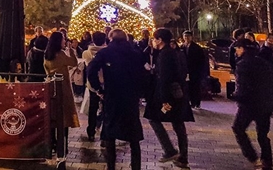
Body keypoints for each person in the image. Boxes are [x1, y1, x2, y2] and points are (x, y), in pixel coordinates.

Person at [88, 29, 146, 170]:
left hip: (112, 95)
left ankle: (111, 166)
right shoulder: (136, 54)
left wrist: (98, 89)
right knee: (133, 135)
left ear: (110, 38)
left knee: (110, 134)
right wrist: (140, 92)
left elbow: (91, 70)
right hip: (130, 96)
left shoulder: (105, 53)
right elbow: (144, 74)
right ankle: (136, 166)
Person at [144, 28, 194, 169]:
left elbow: (165, 78)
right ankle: (183, 157)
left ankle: (169, 150)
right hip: (178, 93)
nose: (153, 41)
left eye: (154, 39)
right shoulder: (174, 52)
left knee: (153, 118)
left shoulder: (165, 55)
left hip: (167, 94)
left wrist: (165, 99)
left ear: (160, 40)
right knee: (178, 124)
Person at [232, 38, 273, 170]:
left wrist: (236, 96)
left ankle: (253, 158)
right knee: (262, 134)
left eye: (237, 48)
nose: (236, 51)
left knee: (238, 128)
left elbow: (243, 86)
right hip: (265, 104)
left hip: (249, 104)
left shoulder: (243, 64)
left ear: (243, 48)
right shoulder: (264, 63)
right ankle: (267, 161)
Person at [44, 31, 80, 154]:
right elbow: (74, 63)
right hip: (63, 88)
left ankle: (52, 142)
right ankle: (62, 144)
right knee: (64, 115)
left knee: (53, 115)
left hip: (51, 87)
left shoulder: (47, 55)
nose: (65, 41)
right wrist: (71, 51)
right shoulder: (61, 55)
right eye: (63, 39)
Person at [82, 31, 107, 141]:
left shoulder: (86, 53)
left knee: (93, 108)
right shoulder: (108, 52)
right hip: (106, 83)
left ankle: (91, 131)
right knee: (106, 109)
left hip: (92, 84)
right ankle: (104, 133)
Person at [182, 31, 206, 109]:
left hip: (194, 71)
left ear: (191, 37)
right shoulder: (182, 47)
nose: (186, 38)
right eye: (185, 36)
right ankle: (190, 102)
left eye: (188, 36)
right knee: (187, 87)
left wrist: (201, 72)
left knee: (195, 87)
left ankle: (196, 102)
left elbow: (202, 60)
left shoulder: (197, 48)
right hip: (185, 71)